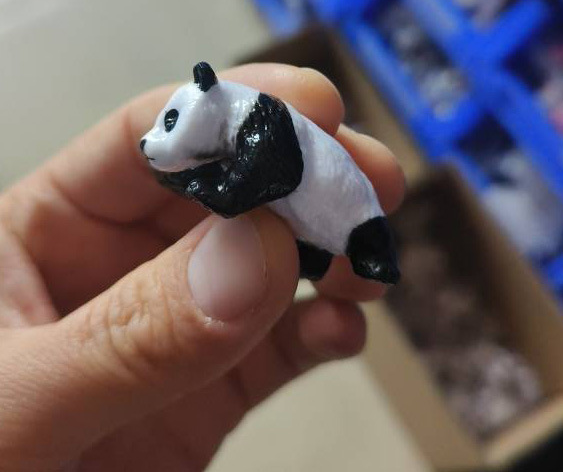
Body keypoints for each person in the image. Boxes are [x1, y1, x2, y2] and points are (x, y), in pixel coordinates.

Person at [0, 64, 404, 471]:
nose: (156, 138)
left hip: (353, 223)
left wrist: (219, 191)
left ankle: (363, 257)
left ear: (210, 90)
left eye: (170, 122)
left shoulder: (262, 124)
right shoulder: (239, 131)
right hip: (310, 234)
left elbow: (267, 178)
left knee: (355, 250)